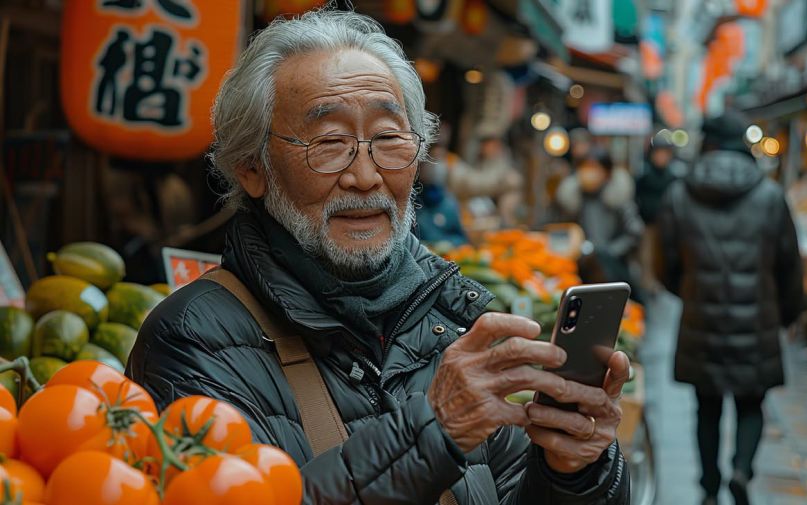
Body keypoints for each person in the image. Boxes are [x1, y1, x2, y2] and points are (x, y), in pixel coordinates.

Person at [127, 10, 631, 505]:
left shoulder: (444, 325)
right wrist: (435, 430)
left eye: (389, 139)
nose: (366, 177)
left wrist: (575, 473)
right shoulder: (191, 339)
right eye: (329, 143)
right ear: (251, 167)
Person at [657, 110, 805, 505]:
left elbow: (664, 264)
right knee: (751, 402)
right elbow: (790, 263)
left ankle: (708, 488)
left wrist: (688, 291)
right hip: (757, 319)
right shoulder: (770, 195)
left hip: (701, 318)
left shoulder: (678, 193)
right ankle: (741, 470)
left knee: (706, 408)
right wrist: (788, 313)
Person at [556, 151, 644, 297]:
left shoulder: (619, 198)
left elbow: (635, 232)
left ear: (607, 172)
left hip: (613, 269)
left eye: (594, 167)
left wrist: (609, 252)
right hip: (580, 267)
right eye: (585, 167)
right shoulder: (572, 198)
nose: (589, 173)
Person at [635, 136, 677, 296]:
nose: (661, 157)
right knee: (646, 254)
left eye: (665, 153)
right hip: (647, 224)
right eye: (658, 153)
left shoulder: (672, 177)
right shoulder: (644, 176)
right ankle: (648, 283)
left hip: (666, 225)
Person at [415, 142, 468, 246]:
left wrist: (447, 244)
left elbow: (462, 239)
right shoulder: (411, 204)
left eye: (440, 159)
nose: (436, 165)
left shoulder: (449, 203)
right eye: (431, 158)